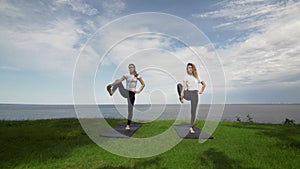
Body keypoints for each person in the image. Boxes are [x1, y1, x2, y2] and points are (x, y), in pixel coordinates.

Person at [106, 64, 145, 130]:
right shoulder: (126, 75)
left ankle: (128, 125)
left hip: (132, 93)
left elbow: (143, 84)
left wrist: (139, 91)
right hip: (126, 92)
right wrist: (111, 85)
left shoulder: (137, 76)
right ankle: (111, 92)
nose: (130, 69)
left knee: (130, 110)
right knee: (117, 81)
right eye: (129, 68)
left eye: (132, 67)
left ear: (134, 68)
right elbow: (119, 81)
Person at [177, 63, 206, 134]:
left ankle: (191, 127)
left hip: (195, 95)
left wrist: (201, 91)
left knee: (193, 112)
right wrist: (182, 94)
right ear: (187, 69)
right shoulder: (186, 77)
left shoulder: (197, 77)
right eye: (188, 68)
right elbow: (183, 87)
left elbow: (204, 84)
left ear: (193, 69)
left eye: (191, 67)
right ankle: (180, 97)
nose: (190, 69)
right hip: (188, 93)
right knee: (179, 85)